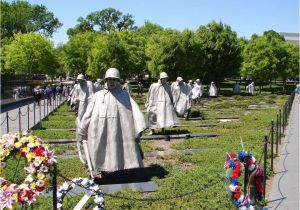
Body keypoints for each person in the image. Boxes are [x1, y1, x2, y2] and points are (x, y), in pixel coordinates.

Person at [77, 68, 146, 173]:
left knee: (121, 152)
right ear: (106, 80)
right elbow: (88, 114)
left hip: (122, 133)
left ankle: (124, 170)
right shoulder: (97, 96)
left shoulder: (125, 96)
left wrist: (139, 127)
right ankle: (102, 170)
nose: (111, 82)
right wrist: (82, 129)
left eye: (114, 79)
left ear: (118, 81)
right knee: (102, 152)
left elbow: (136, 112)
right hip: (101, 131)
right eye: (109, 79)